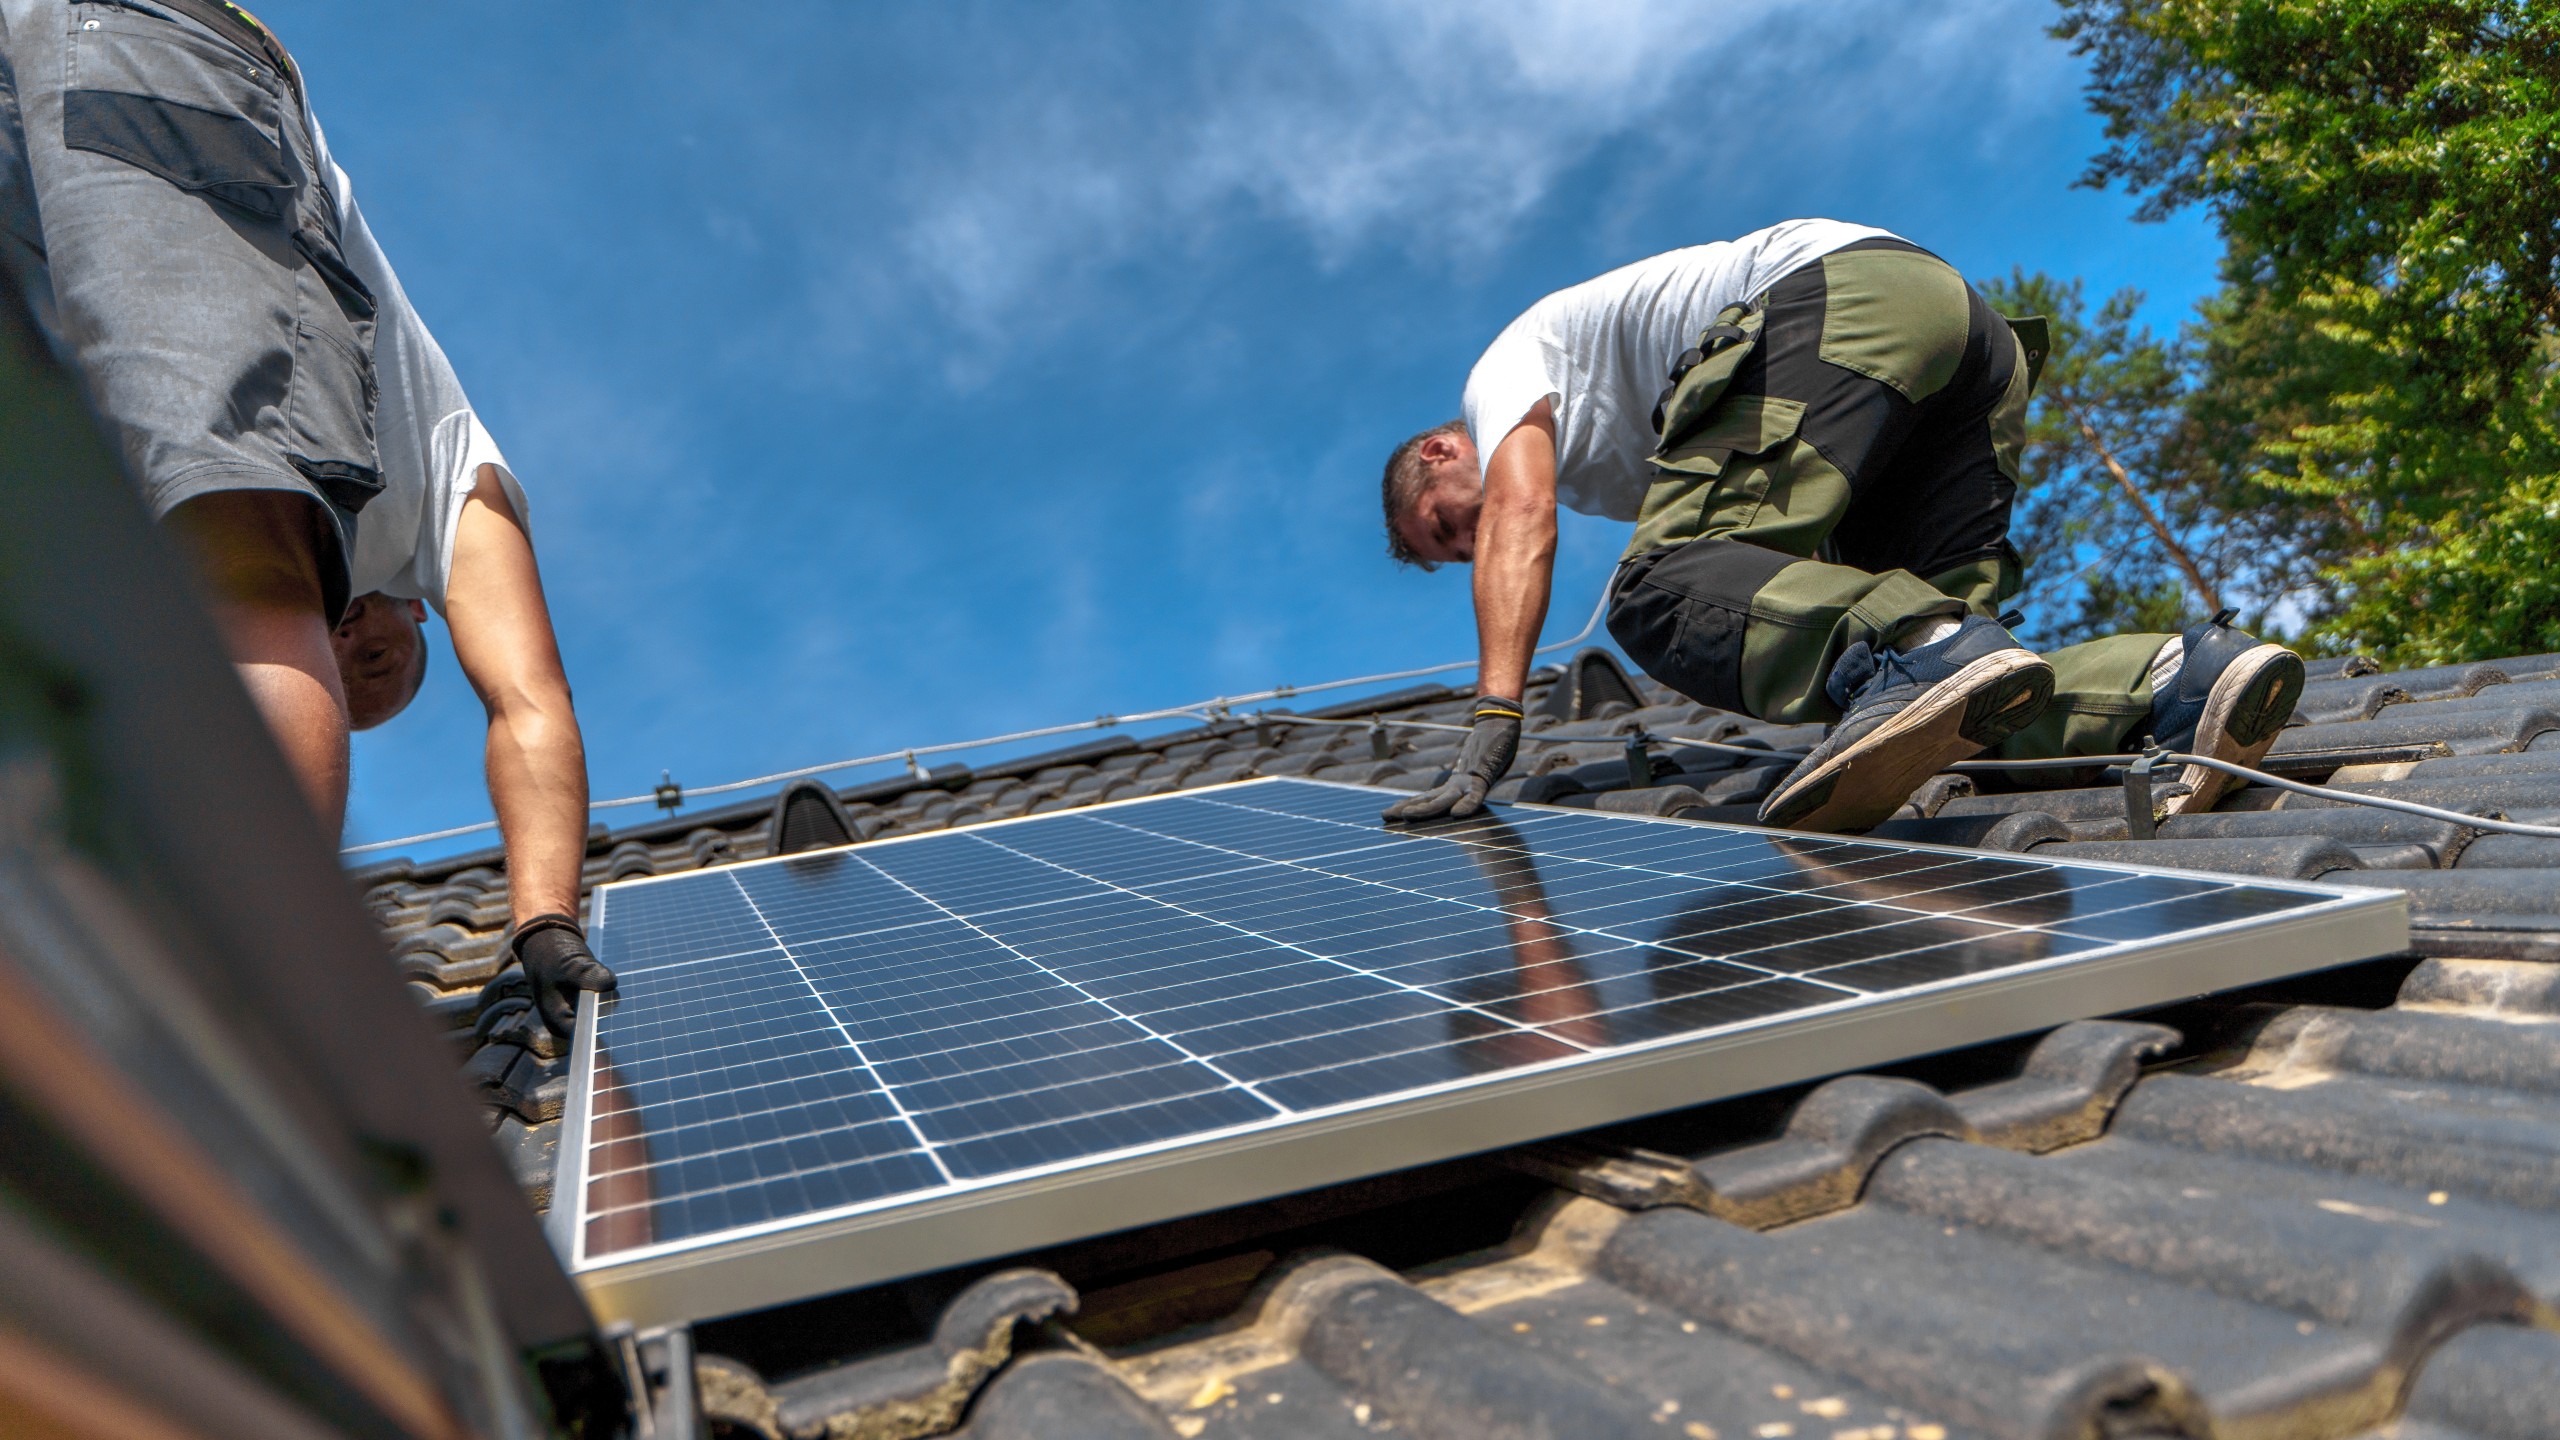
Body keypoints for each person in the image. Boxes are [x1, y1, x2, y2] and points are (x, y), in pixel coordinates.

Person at [0, 0, 610, 1031]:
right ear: (420, 619)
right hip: (145, 69)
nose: (340, 654)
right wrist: (544, 918)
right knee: (255, 572)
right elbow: (528, 702)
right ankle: (238, 1005)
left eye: (338, 676)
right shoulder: (456, 497)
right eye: (368, 668)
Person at [1380, 219, 2305, 833]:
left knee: (1662, 590)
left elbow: (1519, 515)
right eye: (1452, 553)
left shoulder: (1499, 377)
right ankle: (2177, 683)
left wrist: (1497, 714)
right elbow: (1794, 548)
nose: (1468, 548)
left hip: (1839, 303)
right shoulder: (1609, 455)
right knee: (1967, 701)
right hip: (1960, 340)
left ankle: (1919, 649)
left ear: (1436, 454)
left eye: (1441, 531)